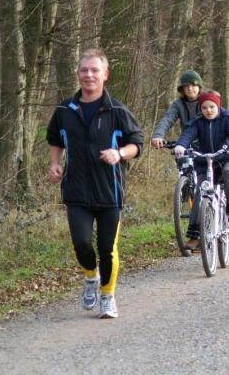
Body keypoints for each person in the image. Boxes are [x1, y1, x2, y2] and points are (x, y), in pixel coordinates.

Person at [46, 48, 143, 319]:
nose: (89, 75)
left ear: (105, 75)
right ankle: (91, 276)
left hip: (109, 191)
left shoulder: (118, 111)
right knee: (81, 243)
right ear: (78, 74)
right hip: (76, 189)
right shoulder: (65, 110)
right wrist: (55, 163)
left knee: (106, 248)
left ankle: (108, 296)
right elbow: (55, 139)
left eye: (94, 70)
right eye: (84, 70)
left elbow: (137, 143)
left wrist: (120, 154)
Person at [174, 91, 229, 250]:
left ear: (218, 106)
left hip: (227, 158)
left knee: (227, 173)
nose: (208, 110)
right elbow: (187, 135)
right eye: (204, 107)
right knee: (200, 193)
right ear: (201, 108)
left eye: (212, 107)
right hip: (205, 162)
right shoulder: (198, 123)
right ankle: (194, 236)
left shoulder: (227, 120)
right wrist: (181, 145)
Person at [151, 70, 203, 149]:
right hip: (186, 144)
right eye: (186, 86)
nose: (190, 88)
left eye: (193, 85)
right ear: (182, 89)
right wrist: (158, 135)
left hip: (207, 144)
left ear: (199, 87)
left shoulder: (208, 102)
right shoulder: (178, 104)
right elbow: (167, 119)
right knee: (181, 160)